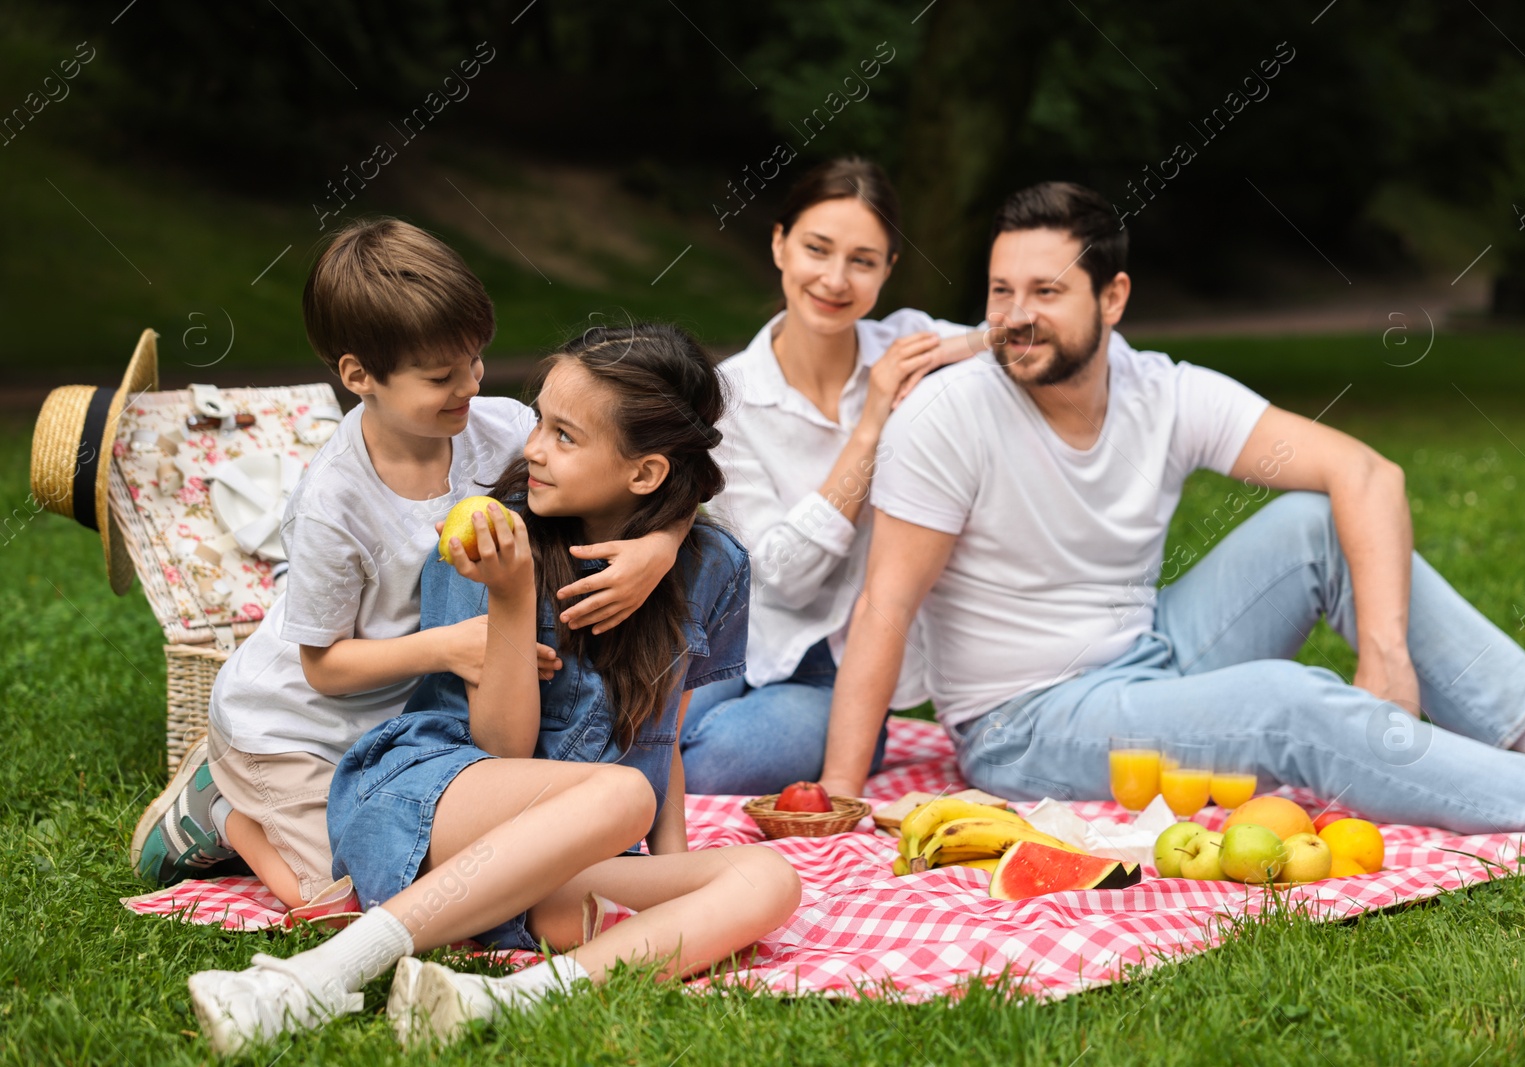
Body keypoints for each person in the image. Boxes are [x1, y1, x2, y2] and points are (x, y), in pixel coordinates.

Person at [815, 181, 1525, 832]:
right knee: (1284, 705)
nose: (1017, 315)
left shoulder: (1161, 392)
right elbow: (886, 602)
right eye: (1001, 291)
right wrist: (839, 801)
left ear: (1113, 296)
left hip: (1152, 653)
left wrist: (1385, 653)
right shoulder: (950, 415)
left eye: (1046, 291)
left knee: (1319, 524)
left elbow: (1368, 473)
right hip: (1027, 724)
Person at [186, 323, 801, 1053]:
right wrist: (513, 594)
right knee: (617, 794)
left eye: (564, 435)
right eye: (539, 418)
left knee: (768, 879)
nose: (531, 445)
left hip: (559, 851)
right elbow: (498, 747)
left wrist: (668, 866)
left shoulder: (713, 568)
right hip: (429, 795)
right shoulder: (488, 537)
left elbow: (661, 737)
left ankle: (506, 999)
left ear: (646, 474)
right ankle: (313, 978)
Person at [131, 219, 688, 909]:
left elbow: (675, 474)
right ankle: (221, 809)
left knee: (447, 874)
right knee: (348, 902)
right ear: (359, 375)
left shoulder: (501, 430)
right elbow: (322, 665)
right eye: (440, 376)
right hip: (291, 731)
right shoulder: (335, 501)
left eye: (476, 361)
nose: (469, 385)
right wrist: (451, 647)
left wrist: (660, 544)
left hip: (402, 733)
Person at [681, 157, 988, 794]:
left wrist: (949, 350)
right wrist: (872, 423)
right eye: (817, 249)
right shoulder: (729, 397)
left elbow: (1025, 332)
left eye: (863, 261)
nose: (835, 279)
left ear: (889, 271)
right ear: (778, 243)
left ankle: (851, 738)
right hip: (747, 638)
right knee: (638, 739)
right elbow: (783, 577)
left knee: (714, 761)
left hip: (844, 668)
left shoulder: (904, 347)